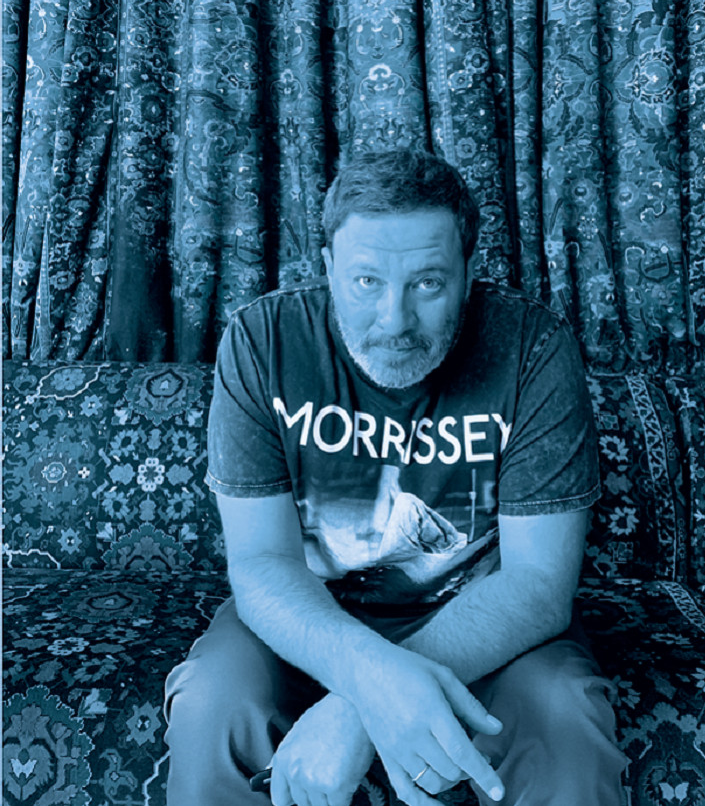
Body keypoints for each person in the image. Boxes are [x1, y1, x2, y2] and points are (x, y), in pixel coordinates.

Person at [164, 149, 627, 806]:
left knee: (565, 717)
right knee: (213, 702)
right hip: (309, 621)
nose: (395, 321)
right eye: (365, 281)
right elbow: (263, 563)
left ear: (468, 273)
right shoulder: (262, 341)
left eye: (428, 284)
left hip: (483, 626)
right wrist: (371, 678)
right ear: (328, 268)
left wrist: (357, 708)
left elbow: (537, 585)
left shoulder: (533, 346)